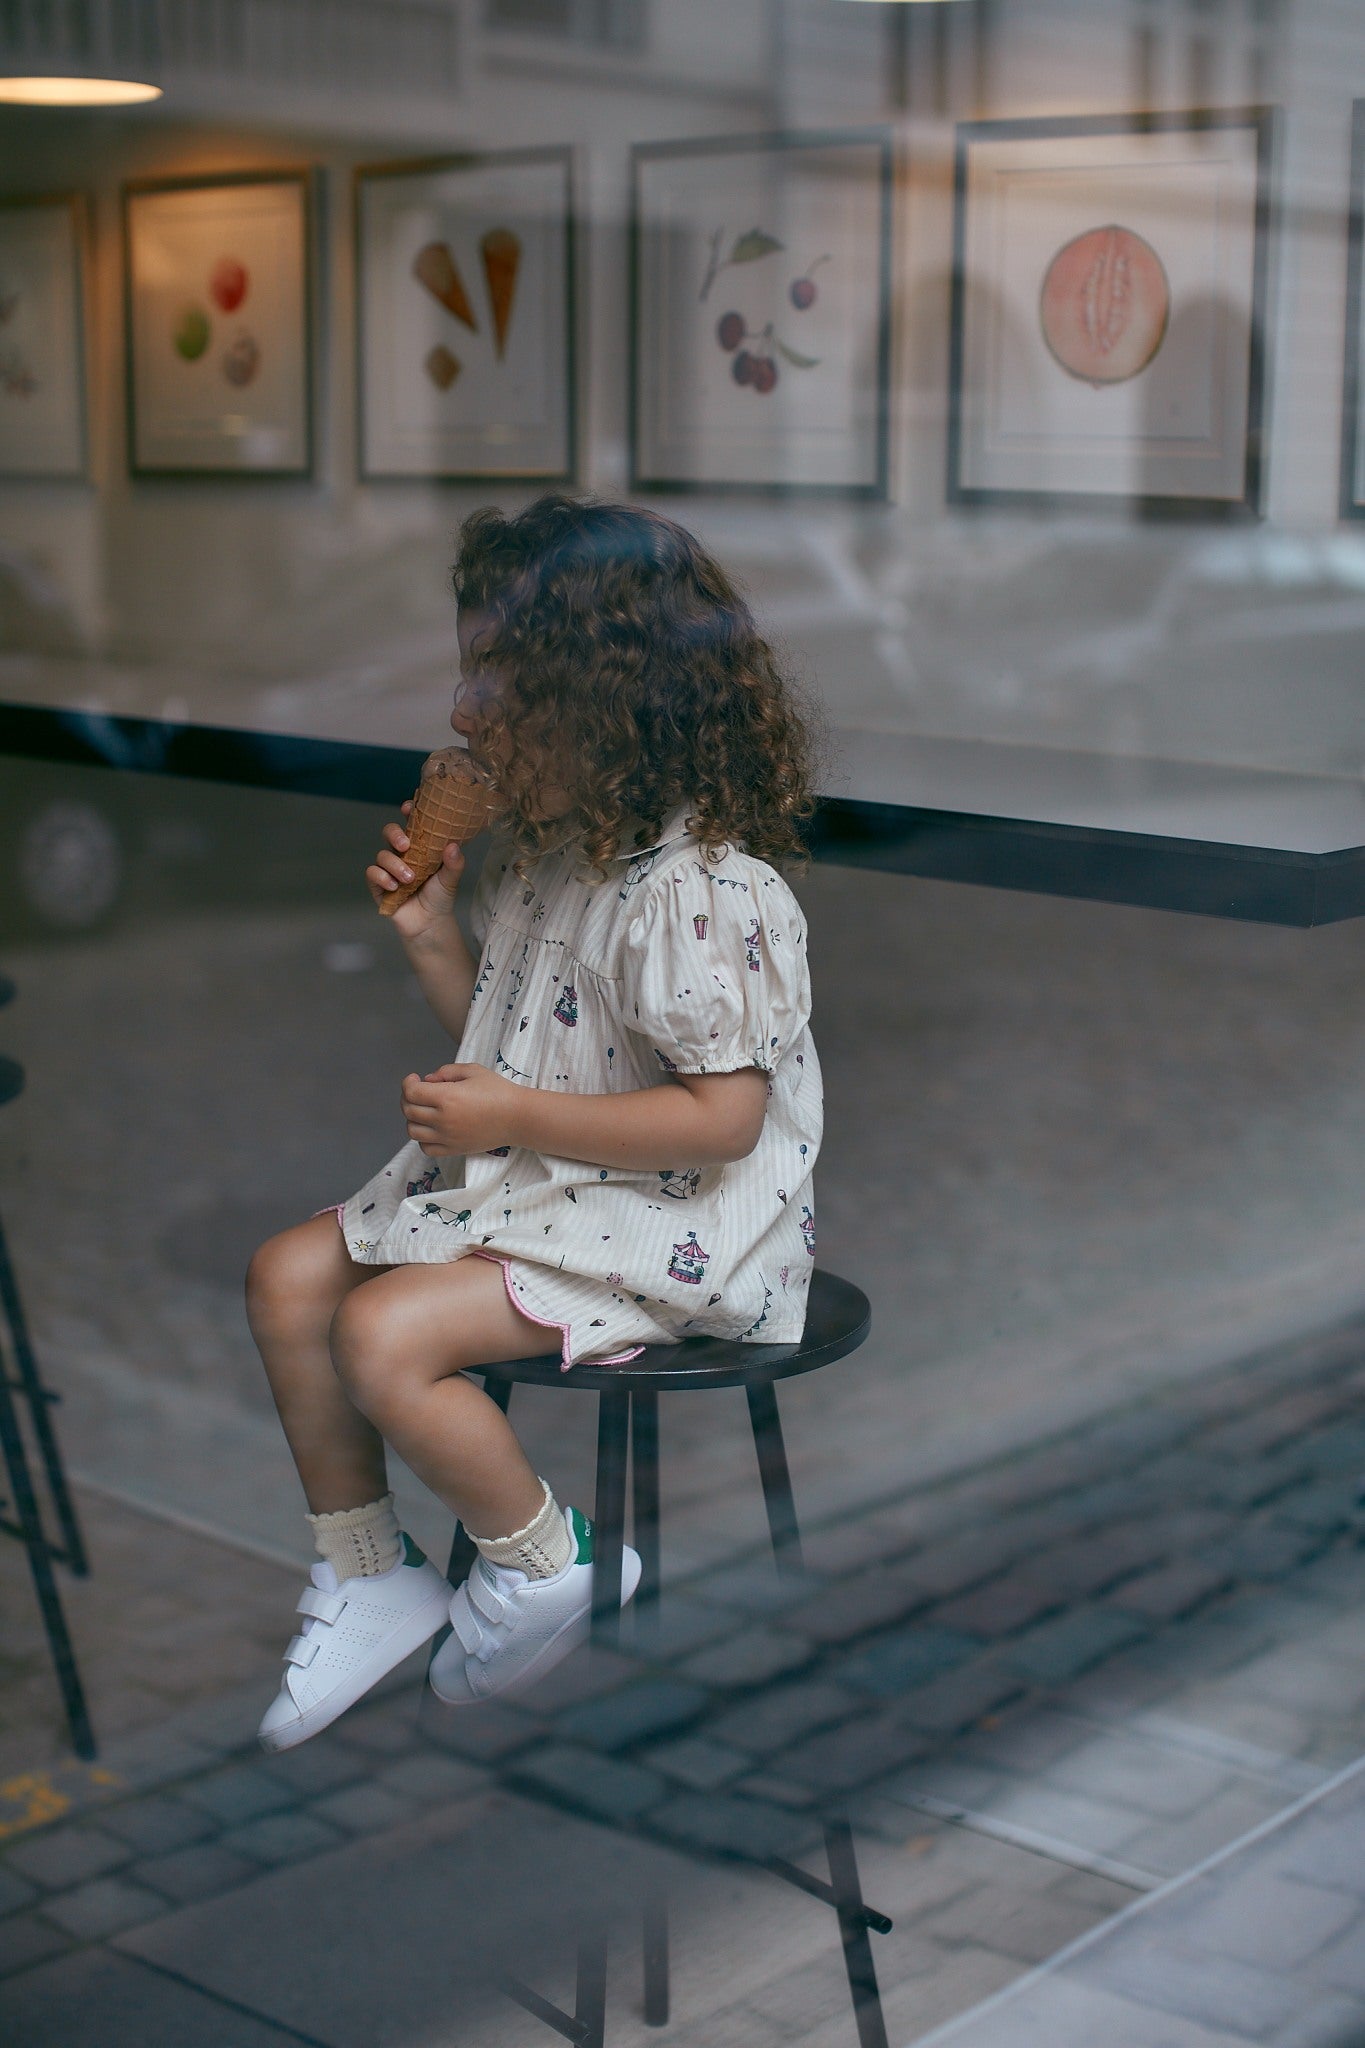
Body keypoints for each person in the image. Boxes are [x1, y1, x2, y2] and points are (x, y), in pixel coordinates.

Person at [245, 494, 824, 1752]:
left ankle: (545, 1560)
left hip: (676, 1216)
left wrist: (509, 1110)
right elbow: (509, 1040)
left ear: (610, 702)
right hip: (557, 1181)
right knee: (290, 1274)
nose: (462, 710)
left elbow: (725, 1119)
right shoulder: (558, 857)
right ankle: (367, 1572)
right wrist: (431, 934)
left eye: (497, 676)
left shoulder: (706, 889)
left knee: (385, 1332)